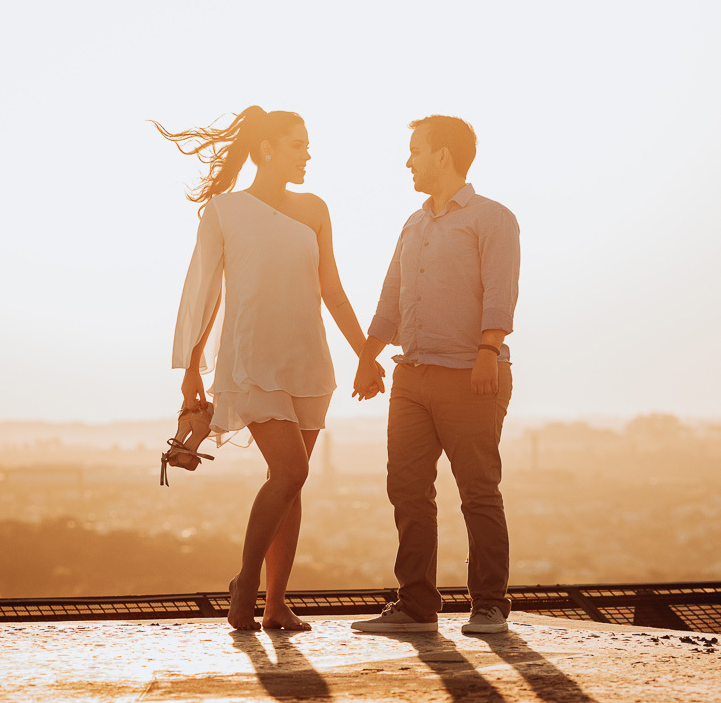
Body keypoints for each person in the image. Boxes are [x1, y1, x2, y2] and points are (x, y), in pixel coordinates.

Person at [155, 106, 381, 631]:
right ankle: (245, 586)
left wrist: (366, 356)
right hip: (250, 360)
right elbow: (204, 294)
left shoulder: (316, 209)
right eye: (298, 143)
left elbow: (333, 290)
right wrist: (192, 368)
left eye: (307, 144)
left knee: (289, 482)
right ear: (267, 149)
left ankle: (277, 603)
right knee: (292, 470)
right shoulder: (224, 211)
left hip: (308, 360)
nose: (307, 153)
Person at [351, 115, 520, 635]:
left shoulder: (492, 219)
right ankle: (417, 605)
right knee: (406, 489)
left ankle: (490, 604)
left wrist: (489, 350)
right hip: (412, 378)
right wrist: (367, 355)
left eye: (416, 151)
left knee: (478, 491)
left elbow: (500, 289)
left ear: (444, 155)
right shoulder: (413, 223)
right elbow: (390, 298)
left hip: (471, 375)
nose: (408, 161)